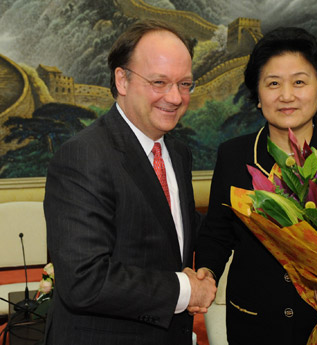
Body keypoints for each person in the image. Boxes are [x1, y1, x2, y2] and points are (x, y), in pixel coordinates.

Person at [195, 27, 317, 345]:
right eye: (273, 84)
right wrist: (206, 273)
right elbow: (217, 233)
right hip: (255, 324)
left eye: (299, 82)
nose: (286, 96)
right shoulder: (234, 155)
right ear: (257, 95)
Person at [44, 20, 216, 345]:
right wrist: (185, 289)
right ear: (122, 79)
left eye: (184, 84)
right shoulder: (83, 156)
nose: (175, 97)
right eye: (159, 82)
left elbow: (170, 232)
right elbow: (85, 281)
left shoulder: (177, 153)